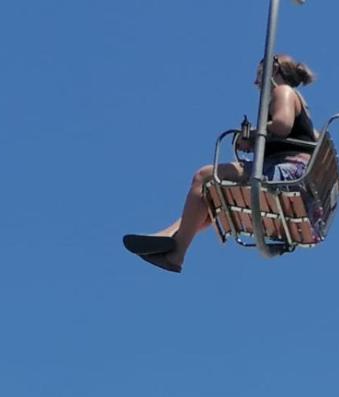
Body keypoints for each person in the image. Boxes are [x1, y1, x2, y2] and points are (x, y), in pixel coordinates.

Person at [122, 54, 318, 274]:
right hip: (289, 172)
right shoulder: (301, 105)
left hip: (285, 172)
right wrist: (253, 141)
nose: (255, 82)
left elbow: (282, 125)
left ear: (274, 71)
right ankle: (170, 236)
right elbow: (294, 137)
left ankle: (177, 253)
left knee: (204, 176)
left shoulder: (283, 92)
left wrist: (253, 133)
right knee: (211, 194)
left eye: (260, 75)